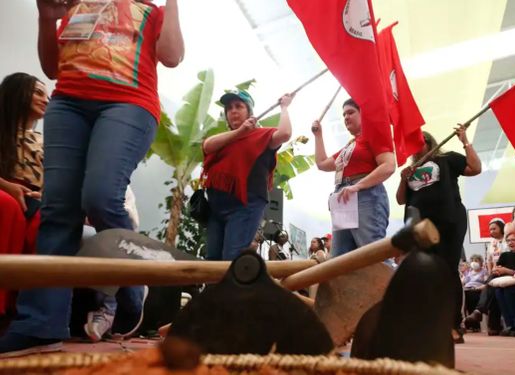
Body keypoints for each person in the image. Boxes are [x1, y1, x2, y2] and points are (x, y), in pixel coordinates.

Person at [0, 0, 184, 357]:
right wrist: (47, 18)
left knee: (100, 196)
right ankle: (40, 326)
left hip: (129, 102)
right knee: (56, 212)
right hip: (68, 103)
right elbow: (52, 68)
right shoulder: (76, 5)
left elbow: (173, 56)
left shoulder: (150, 10)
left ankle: (133, 284)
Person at [396, 126, 481, 343]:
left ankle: (453, 325)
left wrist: (465, 141)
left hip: (449, 220)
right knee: (425, 272)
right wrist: (403, 179)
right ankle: (430, 323)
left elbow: (475, 168)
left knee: (448, 269)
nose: (416, 146)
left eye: (419, 141)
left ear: (429, 142)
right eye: (411, 143)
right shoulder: (410, 168)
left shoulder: (447, 159)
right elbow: (401, 200)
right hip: (420, 226)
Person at [202, 90, 294, 261]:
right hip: (216, 207)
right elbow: (207, 146)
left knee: (231, 258)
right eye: (229, 108)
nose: (233, 111)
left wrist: (284, 107)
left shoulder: (262, 135)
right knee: (212, 259)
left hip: (245, 206)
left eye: (239, 106)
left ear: (249, 112)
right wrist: (240, 132)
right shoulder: (224, 138)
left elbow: (285, 134)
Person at [311, 98, 395, 257]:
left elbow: (389, 165)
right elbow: (322, 163)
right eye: (343, 115)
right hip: (344, 198)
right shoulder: (350, 146)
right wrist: (318, 135)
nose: (346, 117)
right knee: (339, 260)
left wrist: (358, 186)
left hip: (365, 195)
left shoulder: (374, 134)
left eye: (351, 112)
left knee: (372, 257)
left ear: (364, 114)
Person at [0, 73, 48, 331]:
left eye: (47, 94)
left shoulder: (45, 141)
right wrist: (7, 186)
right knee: (6, 206)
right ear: (17, 93)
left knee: (46, 224)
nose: (46, 99)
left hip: (36, 200)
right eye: (39, 92)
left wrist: (47, 195)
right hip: (4, 190)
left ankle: (27, 317)